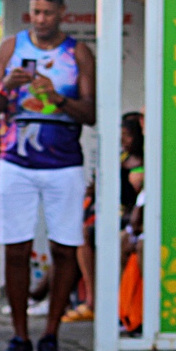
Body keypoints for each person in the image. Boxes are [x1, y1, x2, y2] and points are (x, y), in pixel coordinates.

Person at [0, 0, 96, 351]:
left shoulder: (78, 52)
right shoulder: (11, 48)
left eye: (48, 12)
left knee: (65, 247)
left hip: (64, 161)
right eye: (36, 12)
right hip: (16, 160)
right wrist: (5, 86)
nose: (41, 19)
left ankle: (51, 334)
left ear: (62, 12)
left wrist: (58, 96)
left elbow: (90, 112)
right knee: (14, 248)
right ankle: (19, 336)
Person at [66, 111, 144, 323]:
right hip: (116, 213)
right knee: (80, 235)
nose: (123, 140)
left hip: (133, 218)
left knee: (114, 240)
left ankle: (112, 304)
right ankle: (92, 297)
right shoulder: (121, 158)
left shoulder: (146, 160)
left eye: (127, 135)